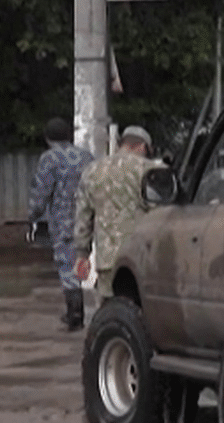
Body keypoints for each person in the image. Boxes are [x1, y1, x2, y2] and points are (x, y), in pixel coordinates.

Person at [74, 125, 164, 298]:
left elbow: (83, 217)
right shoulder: (150, 170)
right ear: (143, 147)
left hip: (106, 260)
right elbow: (164, 212)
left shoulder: (92, 171)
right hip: (142, 258)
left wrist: (82, 254)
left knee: (110, 311)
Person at [28, 117, 94, 330]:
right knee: (85, 261)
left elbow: (42, 192)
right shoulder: (87, 156)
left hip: (63, 221)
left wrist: (33, 214)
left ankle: (75, 313)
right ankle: (84, 309)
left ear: (48, 139)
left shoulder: (49, 159)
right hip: (88, 218)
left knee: (67, 266)